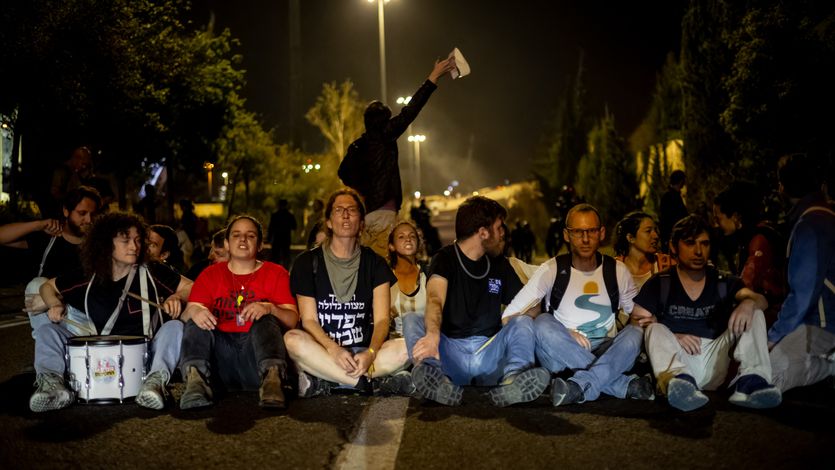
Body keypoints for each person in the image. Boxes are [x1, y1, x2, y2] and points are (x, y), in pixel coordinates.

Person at [33, 212, 193, 412]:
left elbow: (191, 287)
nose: (134, 247)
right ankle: (54, 387)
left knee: (174, 327)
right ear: (106, 244)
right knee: (47, 332)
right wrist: (54, 304)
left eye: (137, 240)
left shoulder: (152, 270)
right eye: (125, 241)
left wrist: (176, 297)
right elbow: (47, 287)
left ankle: (155, 383)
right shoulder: (89, 274)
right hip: (99, 352)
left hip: (147, 355)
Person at [502, 203, 653, 407]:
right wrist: (562, 330)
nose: (585, 239)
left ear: (601, 233)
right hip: (561, 354)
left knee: (636, 331)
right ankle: (622, 385)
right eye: (577, 232)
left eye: (591, 231)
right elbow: (509, 316)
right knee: (543, 322)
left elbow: (639, 315)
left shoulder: (617, 270)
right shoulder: (551, 270)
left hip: (607, 351)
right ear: (566, 235)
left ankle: (578, 386)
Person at [404, 196, 549, 407]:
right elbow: (435, 298)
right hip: (449, 353)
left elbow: (532, 306)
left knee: (524, 321)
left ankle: (514, 381)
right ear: (483, 232)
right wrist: (433, 335)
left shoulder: (499, 263)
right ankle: (434, 378)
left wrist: (512, 321)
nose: (503, 234)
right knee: (411, 320)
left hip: (489, 352)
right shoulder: (444, 258)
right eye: (499, 228)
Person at [631, 215, 780, 412]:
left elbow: (762, 300)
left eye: (704, 243)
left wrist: (748, 303)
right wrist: (672, 335)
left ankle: (751, 383)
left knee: (755, 312)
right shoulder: (661, 283)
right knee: (654, 329)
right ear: (674, 247)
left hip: (717, 358)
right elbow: (636, 322)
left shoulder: (722, 281)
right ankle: (681, 385)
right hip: (680, 361)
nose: (698, 251)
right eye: (690, 243)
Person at [286, 189, 413, 397]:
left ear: (362, 223)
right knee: (292, 339)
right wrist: (333, 350)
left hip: (362, 352)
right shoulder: (307, 263)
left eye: (352, 210)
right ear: (328, 221)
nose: (345, 215)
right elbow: (309, 320)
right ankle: (366, 384)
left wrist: (370, 354)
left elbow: (381, 320)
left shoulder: (375, 263)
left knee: (408, 346)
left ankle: (328, 381)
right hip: (323, 351)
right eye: (338, 210)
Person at [337, 57, 456, 257]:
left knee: (370, 266)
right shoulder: (386, 135)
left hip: (367, 214)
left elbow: (343, 173)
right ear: (385, 120)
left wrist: (363, 189)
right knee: (387, 269)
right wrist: (433, 76)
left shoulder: (357, 146)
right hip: (385, 210)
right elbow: (411, 111)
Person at [179, 215, 298, 409]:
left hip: (256, 357)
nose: (243, 239)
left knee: (266, 318)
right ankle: (196, 383)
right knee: (196, 319)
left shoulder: (276, 273)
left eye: (250, 236)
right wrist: (195, 310)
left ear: (260, 245)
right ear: (226, 243)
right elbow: (185, 317)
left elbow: (292, 320)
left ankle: (273, 380)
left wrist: (270, 307)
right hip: (219, 360)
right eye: (236, 235)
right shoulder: (210, 275)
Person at [768, 154, 835, 393]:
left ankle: (829, 366)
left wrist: (774, 336)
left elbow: (803, 293)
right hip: (824, 321)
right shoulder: (825, 216)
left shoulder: (811, 224)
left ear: (783, 187)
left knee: (768, 376)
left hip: (822, 324)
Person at [0, 186, 101, 336]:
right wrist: (37, 225)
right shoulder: (49, 238)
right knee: (36, 284)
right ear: (66, 211)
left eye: (93, 214)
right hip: (48, 309)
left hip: (81, 312)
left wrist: (54, 299)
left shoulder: (98, 246)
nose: (88, 220)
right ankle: (48, 346)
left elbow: (100, 288)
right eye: (82, 213)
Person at [713, 182, 785, 320]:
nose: (715, 224)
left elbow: (747, 282)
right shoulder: (749, 237)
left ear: (735, 217)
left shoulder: (759, 240)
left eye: (718, 218)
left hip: (771, 317)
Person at [613, 211, 674, 290]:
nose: (655, 236)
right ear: (631, 238)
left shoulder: (668, 264)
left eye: (655, 230)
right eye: (648, 231)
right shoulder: (613, 269)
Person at [388, 221, 427, 339]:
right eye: (401, 237)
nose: (408, 239)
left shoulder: (428, 274)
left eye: (412, 236)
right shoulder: (384, 277)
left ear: (418, 243)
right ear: (392, 246)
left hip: (425, 343)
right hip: (395, 346)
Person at [659, 169, 688, 253]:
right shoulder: (671, 197)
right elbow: (668, 218)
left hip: (673, 235)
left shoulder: (671, 196)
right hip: (673, 236)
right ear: (681, 181)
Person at [267, 199, 297, 269]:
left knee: (275, 256)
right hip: (286, 238)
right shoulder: (290, 215)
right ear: (286, 205)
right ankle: (285, 270)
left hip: (277, 238)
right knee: (286, 255)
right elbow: (294, 226)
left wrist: (269, 238)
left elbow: (271, 228)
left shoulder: (275, 215)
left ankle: (275, 271)